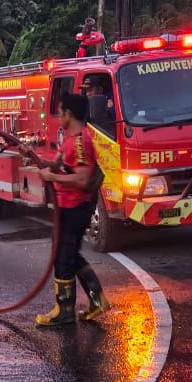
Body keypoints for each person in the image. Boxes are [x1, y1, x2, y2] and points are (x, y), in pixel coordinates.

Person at [33, 92, 108, 327]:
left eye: (62, 111)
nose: (59, 115)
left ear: (70, 114)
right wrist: (33, 158)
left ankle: (64, 310)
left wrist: (51, 176)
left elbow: (84, 180)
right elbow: (56, 165)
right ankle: (97, 299)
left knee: (64, 258)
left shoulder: (80, 141)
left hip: (76, 207)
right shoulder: (68, 138)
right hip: (66, 206)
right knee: (68, 254)